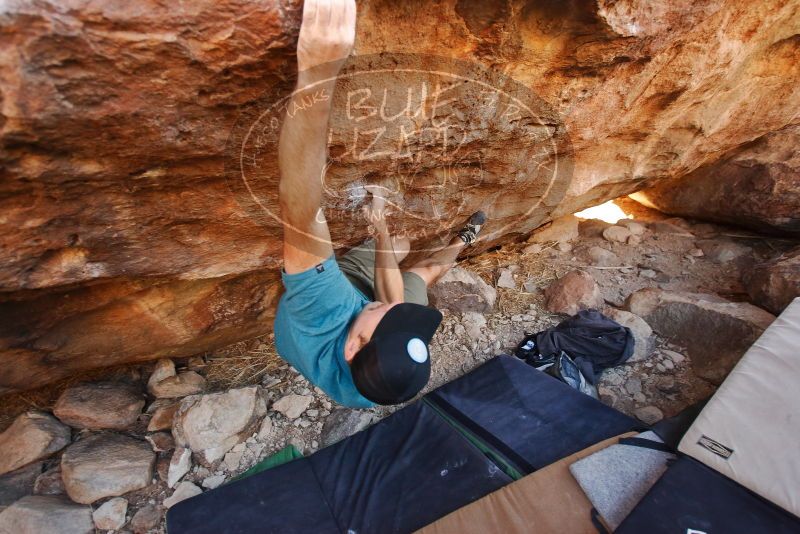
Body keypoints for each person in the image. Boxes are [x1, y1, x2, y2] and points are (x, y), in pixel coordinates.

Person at [273, 0, 486, 408]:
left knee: (405, 267)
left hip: (338, 303)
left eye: (392, 321)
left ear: (354, 346)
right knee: (417, 266)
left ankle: (403, 245)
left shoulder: (326, 309)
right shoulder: (372, 391)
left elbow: (298, 206)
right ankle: (464, 238)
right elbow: (389, 309)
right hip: (357, 310)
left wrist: (319, 68)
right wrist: (384, 232)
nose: (399, 314)